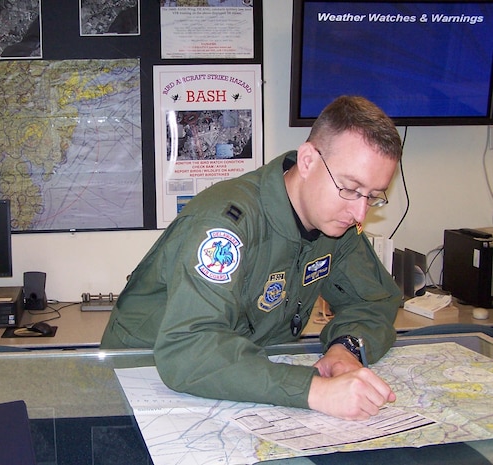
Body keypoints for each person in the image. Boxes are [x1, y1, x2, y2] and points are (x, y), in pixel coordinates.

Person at [101, 95, 403, 420]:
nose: (360, 212)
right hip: (144, 378)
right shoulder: (226, 226)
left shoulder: (337, 223)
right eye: (350, 188)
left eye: (372, 196)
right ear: (307, 161)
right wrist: (313, 390)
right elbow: (189, 349)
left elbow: (374, 301)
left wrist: (346, 348)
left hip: (237, 378)